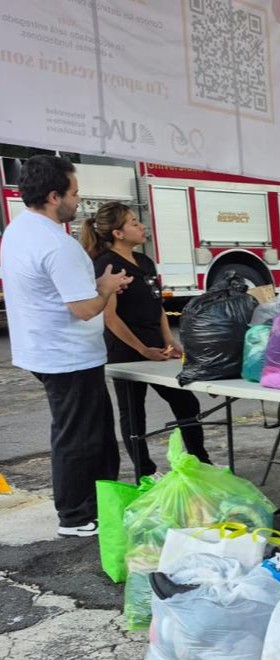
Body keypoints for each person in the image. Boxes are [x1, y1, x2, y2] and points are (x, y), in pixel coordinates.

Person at [0, 155, 130, 537]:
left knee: (92, 431)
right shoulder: (57, 245)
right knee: (79, 436)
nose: (79, 201)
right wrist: (106, 287)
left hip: (44, 349)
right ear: (55, 196)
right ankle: (75, 516)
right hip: (66, 355)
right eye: (75, 193)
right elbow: (86, 308)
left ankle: (100, 504)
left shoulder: (19, 229)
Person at [80, 202, 211, 475]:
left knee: (185, 401)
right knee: (134, 413)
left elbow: (157, 307)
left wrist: (169, 341)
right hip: (126, 351)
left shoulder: (145, 262)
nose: (142, 227)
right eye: (134, 223)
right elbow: (110, 317)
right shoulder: (107, 265)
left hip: (157, 348)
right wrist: (143, 349)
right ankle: (145, 473)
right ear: (118, 233)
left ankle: (200, 461)